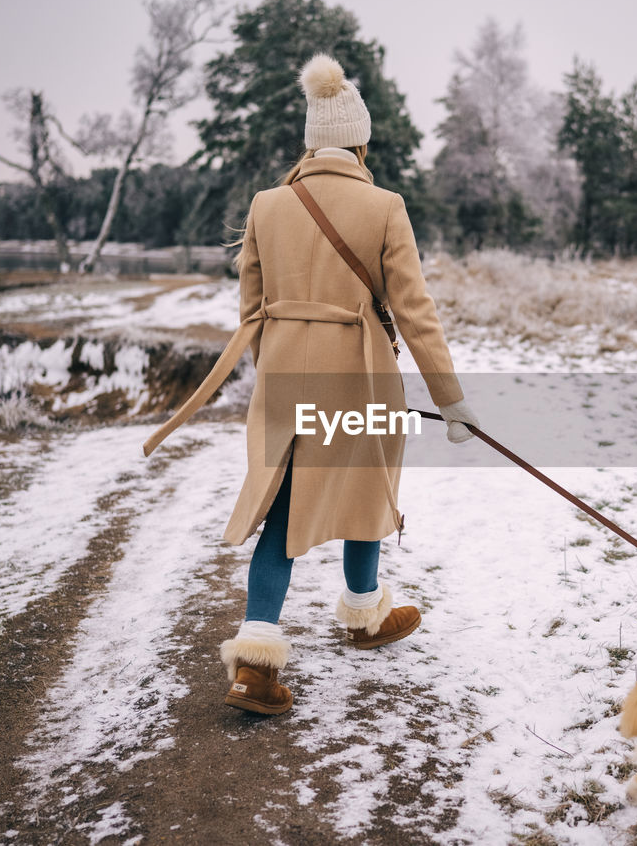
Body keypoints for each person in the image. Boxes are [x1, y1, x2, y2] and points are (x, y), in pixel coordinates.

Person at [142, 53, 478, 715]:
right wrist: (452, 399)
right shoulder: (385, 206)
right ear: (359, 140)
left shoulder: (267, 206)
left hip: (285, 379)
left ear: (310, 141)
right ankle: (361, 614)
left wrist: (286, 362)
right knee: (365, 486)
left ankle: (262, 660)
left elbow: (250, 314)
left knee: (284, 505)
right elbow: (415, 313)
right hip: (359, 377)